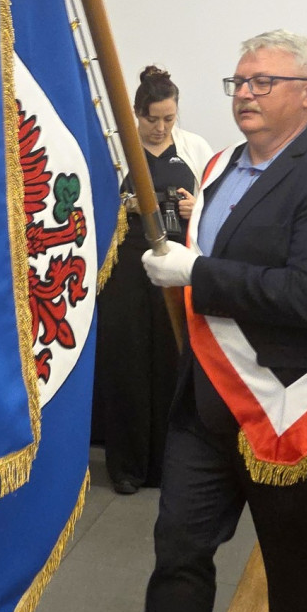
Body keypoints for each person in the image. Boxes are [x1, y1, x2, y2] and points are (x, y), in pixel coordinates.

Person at [80, 32, 307, 612]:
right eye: (238, 81)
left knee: (288, 563)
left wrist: (197, 275)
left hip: (284, 409)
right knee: (178, 551)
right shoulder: (217, 167)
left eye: (262, 82)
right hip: (205, 404)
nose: (244, 93)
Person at [93, 66, 212, 494]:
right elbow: (91, 208)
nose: (160, 128)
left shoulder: (195, 149)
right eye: (151, 119)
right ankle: (128, 466)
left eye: (168, 119)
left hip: (175, 269)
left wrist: (196, 209)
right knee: (126, 362)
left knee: (171, 360)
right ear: (136, 113)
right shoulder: (115, 151)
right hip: (123, 272)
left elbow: (216, 207)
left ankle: (168, 464)